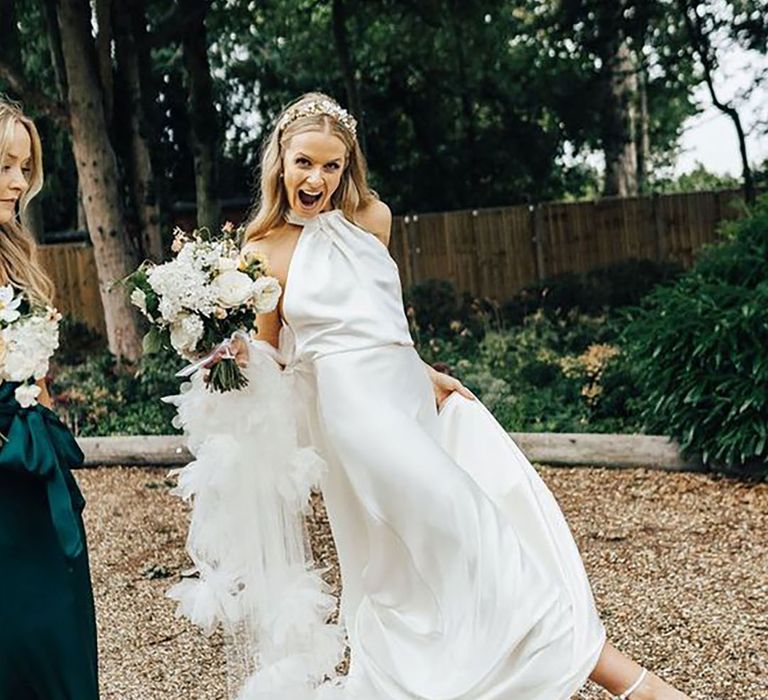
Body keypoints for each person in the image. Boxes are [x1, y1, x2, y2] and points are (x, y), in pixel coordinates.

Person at [239, 92, 690, 700]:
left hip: (407, 395)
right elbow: (270, 355)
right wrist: (223, 350)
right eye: (304, 163)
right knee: (472, 531)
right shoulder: (264, 250)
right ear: (280, 162)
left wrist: (423, 369)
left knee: (438, 548)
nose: (316, 178)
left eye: (331, 165)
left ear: (348, 168)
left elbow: (379, 314)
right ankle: (640, 686)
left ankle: (442, 676)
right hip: (355, 416)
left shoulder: (374, 219)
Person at [0, 97, 99, 699]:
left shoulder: (13, 252)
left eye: (23, 167)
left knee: (59, 625)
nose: (17, 183)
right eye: (5, 165)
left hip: (32, 464)